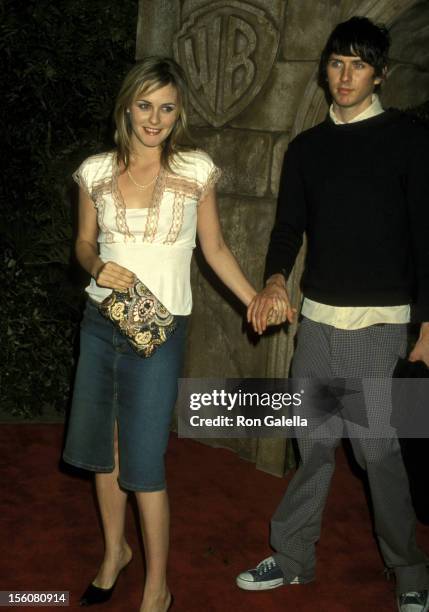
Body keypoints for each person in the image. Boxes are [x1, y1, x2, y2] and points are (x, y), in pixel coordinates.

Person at [238, 16, 429, 612]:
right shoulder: (306, 149)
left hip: (382, 324)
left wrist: (428, 323)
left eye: (359, 65)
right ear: (326, 70)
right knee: (314, 443)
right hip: (318, 322)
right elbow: (288, 227)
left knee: (378, 451)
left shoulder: (410, 139)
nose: (345, 76)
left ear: (380, 74)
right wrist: (273, 280)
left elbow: (427, 235)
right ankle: (293, 556)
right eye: (337, 63)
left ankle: (411, 572)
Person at [62, 56, 257, 612]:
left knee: (145, 462)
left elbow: (214, 248)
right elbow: (81, 243)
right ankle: (113, 555)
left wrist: (254, 301)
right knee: (106, 453)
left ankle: (158, 587)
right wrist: (97, 266)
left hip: (160, 328)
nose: (154, 119)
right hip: (101, 323)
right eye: (145, 105)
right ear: (127, 105)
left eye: (166, 108)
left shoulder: (196, 169)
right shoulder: (95, 170)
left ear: (179, 114)